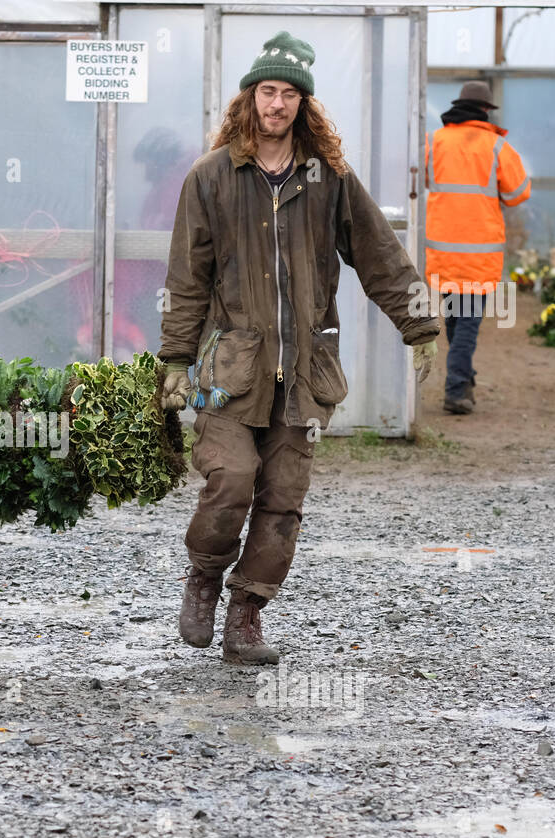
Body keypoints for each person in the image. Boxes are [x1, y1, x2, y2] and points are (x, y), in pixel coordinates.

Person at [159, 31, 440, 665]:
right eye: (266, 91)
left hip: (306, 374)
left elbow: (379, 255)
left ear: (303, 105)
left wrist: (418, 325)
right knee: (231, 479)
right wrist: (176, 360)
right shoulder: (212, 177)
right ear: (249, 99)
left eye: (288, 94)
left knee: (283, 498)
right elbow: (186, 277)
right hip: (232, 370)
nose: (276, 104)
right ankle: (203, 578)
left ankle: (247, 615)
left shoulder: (329, 179)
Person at [424, 80, 530, 414]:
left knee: (455, 320)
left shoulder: (434, 141)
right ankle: (456, 390)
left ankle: (464, 377)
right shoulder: (496, 146)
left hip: (441, 252)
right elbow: (518, 194)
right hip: (480, 254)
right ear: (486, 111)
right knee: (466, 322)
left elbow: (420, 181)